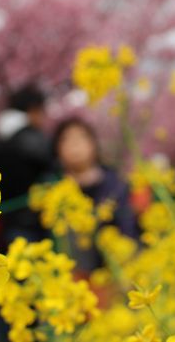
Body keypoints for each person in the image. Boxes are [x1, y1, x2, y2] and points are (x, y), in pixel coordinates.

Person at [51, 116, 137, 274]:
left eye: (81, 138)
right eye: (66, 140)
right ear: (57, 149)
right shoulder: (52, 189)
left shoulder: (115, 183)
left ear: (93, 144)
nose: (74, 145)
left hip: (114, 271)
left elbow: (128, 227)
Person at [0, 84, 53, 245]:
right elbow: (50, 161)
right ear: (33, 110)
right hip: (29, 219)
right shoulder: (30, 137)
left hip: (5, 219)